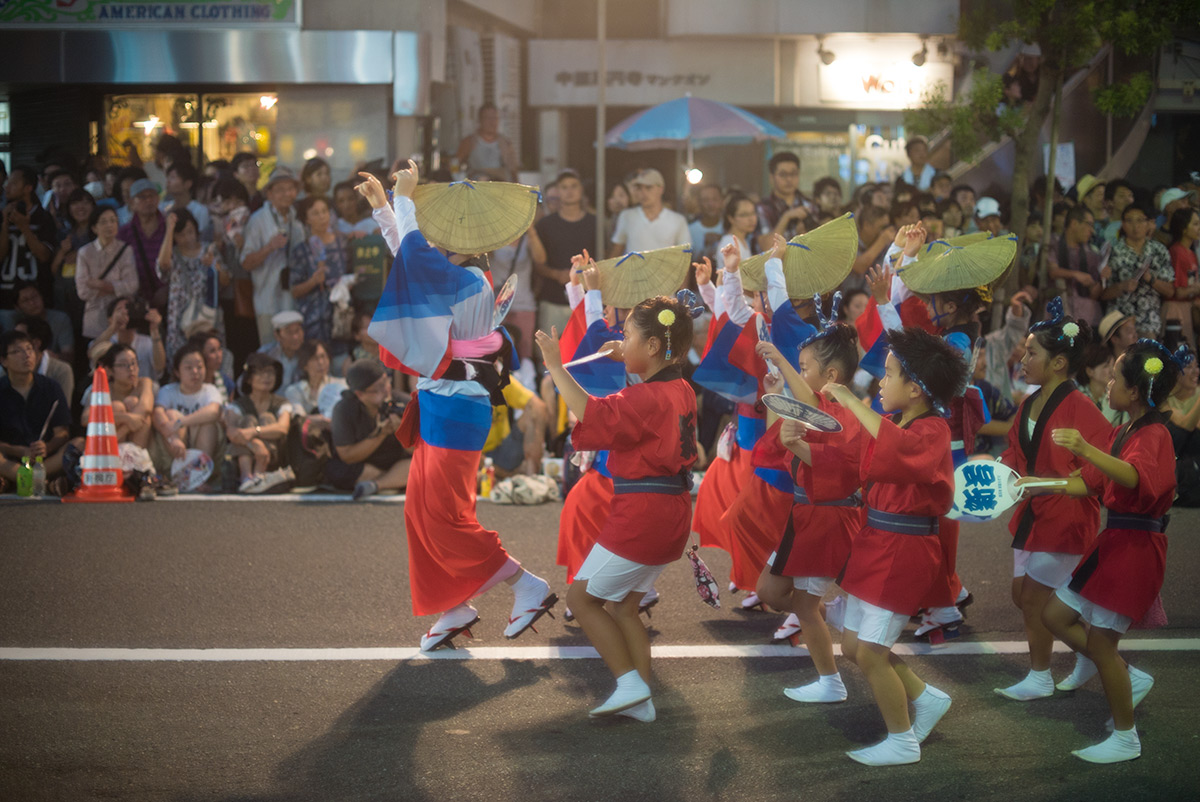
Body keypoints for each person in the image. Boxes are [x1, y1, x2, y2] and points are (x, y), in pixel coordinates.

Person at [359, 161, 556, 651]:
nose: (433, 233)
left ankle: (526, 585)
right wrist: (387, 208)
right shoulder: (461, 273)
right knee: (420, 511)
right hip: (444, 401)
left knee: (445, 515)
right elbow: (412, 264)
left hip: (456, 405)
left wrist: (401, 202)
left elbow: (414, 262)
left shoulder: (467, 279)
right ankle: (454, 605)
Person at [536, 293, 698, 722]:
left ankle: (628, 682)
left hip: (644, 512)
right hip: (671, 511)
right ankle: (640, 699)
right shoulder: (680, 388)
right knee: (624, 606)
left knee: (582, 599)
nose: (620, 341)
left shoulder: (646, 397)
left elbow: (592, 414)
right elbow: (641, 410)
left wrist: (555, 365)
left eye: (626, 335)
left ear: (650, 348)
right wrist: (623, 359)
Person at [819, 327, 967, 765]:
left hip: (904, 550)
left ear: (916, 389)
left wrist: (848, 400)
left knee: (870, 652)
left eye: (888, 374)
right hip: (876, 544)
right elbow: (852, 455)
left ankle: (902, 742)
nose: (880, 382)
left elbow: (896, 448)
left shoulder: (933, 429)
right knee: (852, 647)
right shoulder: (893, 422)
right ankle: (926, 698)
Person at [1031, 340, 1180, 764]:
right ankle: (1127, 677)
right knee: (1055, 616)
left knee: (1100, 643)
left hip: (1135, 548)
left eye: (1115, 377)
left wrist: (1083, 448)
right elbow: (1087, 482)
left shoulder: (1155, 434)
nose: (1108, 381)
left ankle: (1126, 737)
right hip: (1113, 544)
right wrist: (1031, 485)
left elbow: (1134, 478)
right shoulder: (1125, 430)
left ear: (1135, 392)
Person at [994, 298, 1113, 702]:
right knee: (1024, 596)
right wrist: (996, 469)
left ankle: (1045, 675)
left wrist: (1068, 481)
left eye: (1032, 353)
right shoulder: (1029, 402)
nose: (1023, 359)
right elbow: (1015, 451)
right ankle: (1090, 657)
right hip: (1033, 515)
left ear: (1059, 362)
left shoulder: (1080, 406)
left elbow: (1102, 464)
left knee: (1033, 598)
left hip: (1065, 516)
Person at [755, 323, 862, 704]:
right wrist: (775, 396)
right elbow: (780, 442)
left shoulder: (837, 410)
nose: (798, 374)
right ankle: (835, 615)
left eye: (804, 367)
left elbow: (810, 406)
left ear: (830, 376)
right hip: (805, 515)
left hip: (827, 517)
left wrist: (779, 358)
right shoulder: (819, 410)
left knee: (801, 604)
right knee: (768, 590)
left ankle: (830, 681)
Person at [0, 330, 76, 492]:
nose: (26, 355)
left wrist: (47, 447)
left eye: (29, 349)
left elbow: (62, 433)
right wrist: (19, 451)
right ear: (4, 361)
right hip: (10, 458)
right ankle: (44, 484)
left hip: (46, 460)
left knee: (79, 444)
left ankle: (21, 480)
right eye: (17, 351)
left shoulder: (50, 387)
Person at [325, 358, 409, 499]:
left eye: (386, 383)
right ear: (360, 394)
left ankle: (376, 485)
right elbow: (347, 455)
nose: (385, 391)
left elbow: (420, 450)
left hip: (399, 462)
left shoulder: (404, 403)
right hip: (365, 464)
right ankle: (393, 482)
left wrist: (403, 432)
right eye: (378, 389)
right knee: (337, 470)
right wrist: (381, 434)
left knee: (423, 464)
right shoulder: (344, 409)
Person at [530, 170, 595, 344]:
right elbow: (537, 264)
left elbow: (602, 261)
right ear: (558, 191)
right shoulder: (545, 225)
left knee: (586, 351)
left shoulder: (595, 223)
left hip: (587, 301)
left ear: (581, 189)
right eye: (564, 187)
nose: (569, 191)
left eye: (574, 186)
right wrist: (557, 275)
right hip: (552, 299)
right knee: (549, 353)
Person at [241, 167, 304, 345]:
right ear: (269, 194)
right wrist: (270, 247)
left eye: (290, 189)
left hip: (292, 300)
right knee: (270, 349)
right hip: (266, 300)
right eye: (280, 190)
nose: (287, 194)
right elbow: (245, 263)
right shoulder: (258, 220)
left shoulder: (297, 223)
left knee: (293, 348)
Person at [158, 209, 224, 361]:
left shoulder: (209, 249)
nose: (188, 237)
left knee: (210, 355)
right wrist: (169, 229)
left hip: (208, 314)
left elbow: (226, 280)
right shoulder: (172, 253)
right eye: (181, 234)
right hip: (180, 318)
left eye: (190, 232)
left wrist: (214, 266)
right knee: (182, 358)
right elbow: (163, 265)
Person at [1101, 205, 1173, 339]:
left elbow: (1170, 290)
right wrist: (1122, 286)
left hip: (1149, 322)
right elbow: (1103, 293)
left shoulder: (1159, 250)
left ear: (1149, 223)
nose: (1135, 226)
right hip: (1120, 323)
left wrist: (1151, 280)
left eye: (1140, 220)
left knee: (1149, 359)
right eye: (1130, 221)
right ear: (1122, 224)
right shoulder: (1113, 251)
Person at [225, 352, 293, 494]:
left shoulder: (281, 403)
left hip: (273, 456)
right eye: (260, 373)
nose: (267, 377)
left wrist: (254, 432)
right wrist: (255, 444)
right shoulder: (239, 404)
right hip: (248, 453)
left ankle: (257, 475)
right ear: (249, 379)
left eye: (270, 373)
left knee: (267, 418)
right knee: (247, 419)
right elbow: (231, 432)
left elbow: (282, 428)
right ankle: (247, 476)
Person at [289, 195, 349, 348]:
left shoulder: (343, 243)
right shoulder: (301, 250)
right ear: (307, 219)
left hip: (341, 319)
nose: (322, 217)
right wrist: (313, 282)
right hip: (314, 321)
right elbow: (294, 290)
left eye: (324, 211)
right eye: (315, 213)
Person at [152, 343, 223, 471]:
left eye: (199, 367)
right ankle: (179, 472)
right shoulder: (168, 391)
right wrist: (173, 438)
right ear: (177, 372)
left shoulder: (210, 390)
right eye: (188, 368)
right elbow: (158, 413)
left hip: (201, 442)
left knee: (208, 424)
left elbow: (214, 412)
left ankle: (200, 473)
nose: (195, 372)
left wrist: (181, 422)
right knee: (171, 414)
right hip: (174, 446)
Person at [74, 204, 136, 342]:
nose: (110, 225)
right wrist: (116, 287)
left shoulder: (126, 250)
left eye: (113, 220)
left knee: (121, 357)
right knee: (99, 361)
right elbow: (83, 291)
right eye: (103, 222)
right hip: (95, 319)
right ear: (94, 228)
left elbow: (132, 285)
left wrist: (100, 285)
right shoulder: (84, 253)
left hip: (121, 318)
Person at [1, 165, 57, 310]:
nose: (7, 188)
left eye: (13, 184)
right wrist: (5, 224)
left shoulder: (43, 217)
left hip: (37, 293)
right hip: (5, 294)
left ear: (28, 188)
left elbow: (44, 256)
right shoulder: (2, 215)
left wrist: (24, 227)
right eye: (8, 184)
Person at [83, 342, 154, 449]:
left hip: (135, 444)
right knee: (116, 407)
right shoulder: (101, 389)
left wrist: (122, 430)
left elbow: (146, 407)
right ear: (109, 370)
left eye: (134, 363)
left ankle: (135, 460)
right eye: (123, 364)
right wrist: (124, 418)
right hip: (106, 447)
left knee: (135, 404)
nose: (131, 369)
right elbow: (85, 418)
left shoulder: (144, 382)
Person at [607, 169, 689, 258]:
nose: (643, 193)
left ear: (661, 189)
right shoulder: (627, 216)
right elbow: (616, 254)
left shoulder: (677, 220)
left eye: (648, 187)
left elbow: (684, 258)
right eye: (639, 188)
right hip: (633, 272)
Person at [1048, 206, 1104, 327]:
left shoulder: (1092, 254)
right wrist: (1075, 274)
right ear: (1073, 223)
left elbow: (1094, 294)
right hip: (1057, 314)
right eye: (1088, 224)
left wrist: (1100, 280)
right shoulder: (1053, 244)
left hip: (1086, 318)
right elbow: (1052, 271)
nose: (1092, 231)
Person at [88, 296, 165, 383]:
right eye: (120, 310)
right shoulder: (106, 341)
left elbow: (159, 366)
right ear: (110, 319)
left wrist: (154, 330)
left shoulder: (148, 342)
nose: (125, 314)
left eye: (129, 309)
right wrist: (113, 327)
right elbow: (92, 354)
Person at [117, 178, 168, 307]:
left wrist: (169, 288)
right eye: (142, 197)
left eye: (152, 195)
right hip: (137, 303)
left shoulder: (171, 227)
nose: (149, 200)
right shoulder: (124, 233)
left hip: (171, 299)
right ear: (131, 203)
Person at [49, 186, 95, 325]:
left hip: (91, 300)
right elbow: (53, 270)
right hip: (65, 299)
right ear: (68, 208)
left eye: (86, 202)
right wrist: (62, 252)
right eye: (75, 203)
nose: (81, 206)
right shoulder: (64, 234)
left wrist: (81, 257)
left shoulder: (100, 234)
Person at [4, 282, 74, 363]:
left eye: (34, 297)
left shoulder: (60, 319)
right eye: (25, 300)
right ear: (17, 307)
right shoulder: (12, 322)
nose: (32, 303)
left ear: (41, 296)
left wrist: (51, 357)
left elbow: (69, 355)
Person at [9, 316, 74, 403]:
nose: (12, 340)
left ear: (36, 343)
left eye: (19, 337)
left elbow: (62, 409)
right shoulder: (8, 367)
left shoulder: (61, 370)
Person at [455, 102, 519, 182]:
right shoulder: (469, 142)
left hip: (499, 188)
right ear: (480, 120)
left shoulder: (506, 143)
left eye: (495, 118)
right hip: (477, 188)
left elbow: (513, 171)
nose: (492, 122)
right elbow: (456, 165)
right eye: (488, 118)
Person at [284, 339, 346, 419]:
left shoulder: (341, 385)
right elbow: (299, 417)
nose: (321, 362)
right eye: (314, 358)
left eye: (323, 356)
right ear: (304, 364)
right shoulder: (294, 391)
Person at [1165, 207, 1200, 348]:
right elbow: (1177, 291)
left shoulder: (1191, 253)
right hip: (1175, 311)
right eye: (1195, 224)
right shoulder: (1177, 252)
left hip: (1188, 309)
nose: (1199, 228)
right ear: (1183, 228)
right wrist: (1196, 288)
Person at [159, 161, 212, 243]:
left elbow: (201, 239)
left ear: (188, 184)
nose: (168, 182)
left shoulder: (200, 211)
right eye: (168, 177)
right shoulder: (162, 207)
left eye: (173, 177)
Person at [257, 310, 305, 388]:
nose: (295, 337)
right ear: (277, 335)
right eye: (289, 332)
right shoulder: (266, 354)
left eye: (297, 331)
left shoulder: (310, 353)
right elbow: (244, 384)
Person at [189, 330, 235, 404]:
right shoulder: (188, 383)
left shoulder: (226, 382)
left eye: (219, 349)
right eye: (212, 351)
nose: (218, 355)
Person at [688, 184, 726, 262]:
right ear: (699, 203)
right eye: (705, 200)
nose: (711, 204)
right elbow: (687, 262)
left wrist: (723, 239)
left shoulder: (730, 228)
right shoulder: (689, 230)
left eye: (715, 199)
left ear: (722, 202)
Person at [716, 194, 757, 261]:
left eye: (753, 213)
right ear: (731, 218)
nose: (751, 219)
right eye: (744, 215)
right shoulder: (730, 242)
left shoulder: (744, 240)